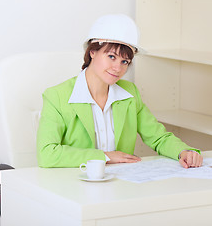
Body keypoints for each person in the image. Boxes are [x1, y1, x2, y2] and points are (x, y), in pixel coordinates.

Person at [36, 14, 203, 169]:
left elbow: (157, 137)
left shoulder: (130, 93)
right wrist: (105, 156)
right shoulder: (57, 96)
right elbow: (47, 154)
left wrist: (183, 152)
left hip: (121, 184)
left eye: (125, 61)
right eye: (111, 57)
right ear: (92, 52)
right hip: (75, 185)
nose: (118, 68)